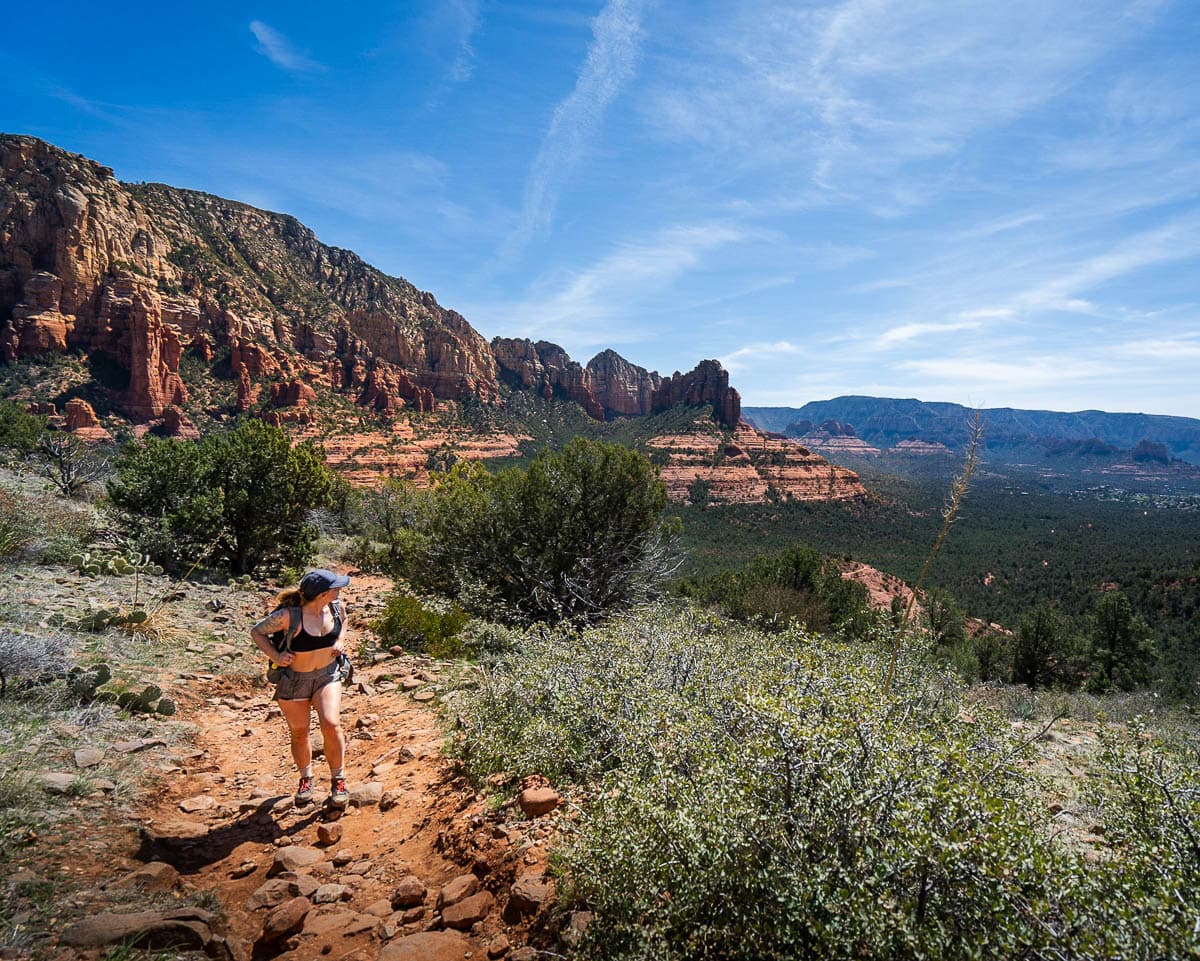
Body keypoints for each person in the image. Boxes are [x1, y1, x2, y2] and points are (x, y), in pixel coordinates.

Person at [251, 569, 353, 807]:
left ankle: (339, 779)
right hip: (294, 679)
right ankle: (306, 778)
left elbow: (345, 623)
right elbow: (257, 631)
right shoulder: (289, 616)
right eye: (336, 587)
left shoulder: (337, 608)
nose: (340, 590)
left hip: (327, 675)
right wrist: (276, 654)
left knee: (331, 723)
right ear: (322, 594)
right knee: (300, 732)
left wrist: (340, 641)